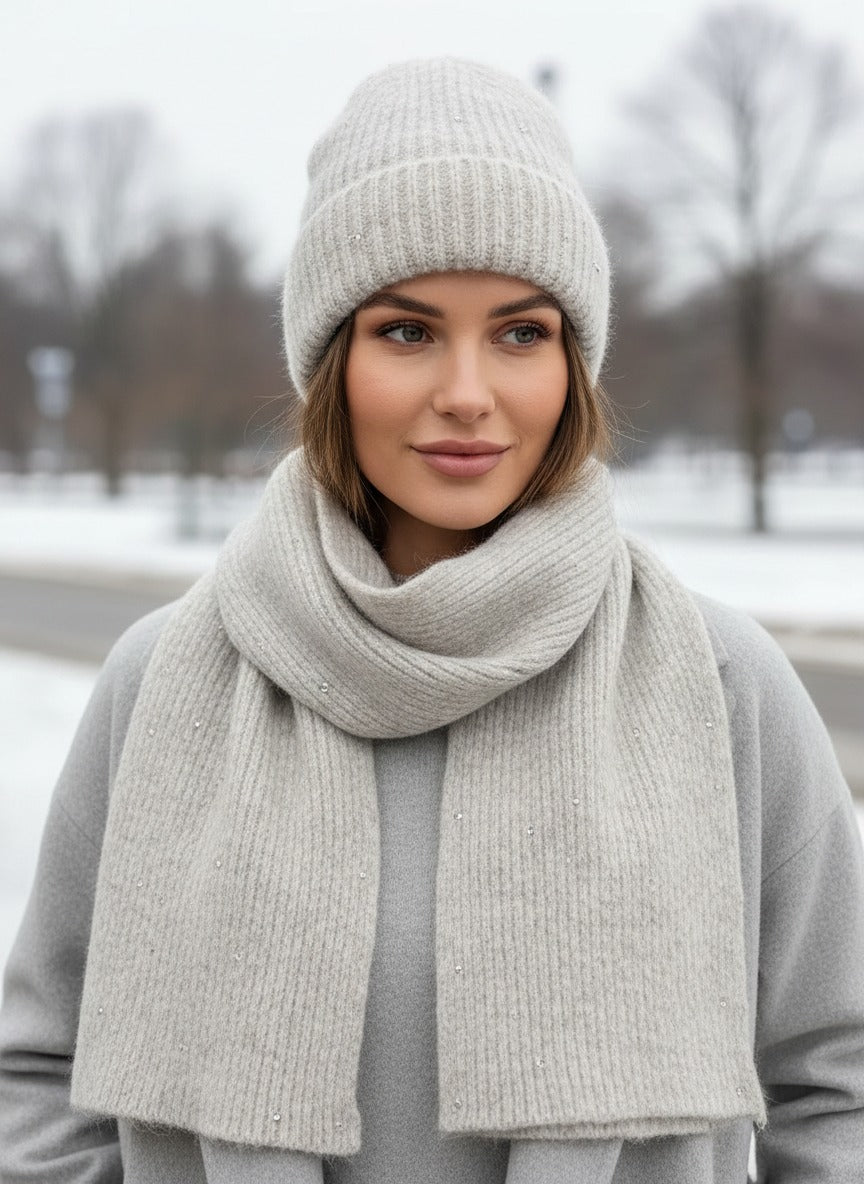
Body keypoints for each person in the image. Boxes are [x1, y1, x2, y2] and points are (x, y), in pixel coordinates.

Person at [1, 55, 863, 1184]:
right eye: (407, 332)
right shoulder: (162, 679)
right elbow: (40, 1080)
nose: (469, 391)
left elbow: (836, 1084)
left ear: (574, 363)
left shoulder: (720, 680)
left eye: (520, 332)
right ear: (330, 364)